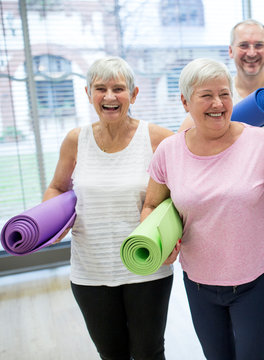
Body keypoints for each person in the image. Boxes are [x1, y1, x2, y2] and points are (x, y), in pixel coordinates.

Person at [142, 58, 264, 360]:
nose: (218, 103)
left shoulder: (261, 143)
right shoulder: (169, 151)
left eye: (224, 93)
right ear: (185, 101)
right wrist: (159, 244)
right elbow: (152, 205)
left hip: (256, 281)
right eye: (206, 95)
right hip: (198, 283)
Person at [178, 19, 264, 359]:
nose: (251, 52)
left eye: (258, 45)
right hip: (234, 214)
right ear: (231, 51)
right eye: (244, 46)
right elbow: (186, 141)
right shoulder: (215, 91)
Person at [43, 56, 175, 359]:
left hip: (147, 269)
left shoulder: (157, 138)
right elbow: (58, 187)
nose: (110, 96)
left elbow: (185, 192)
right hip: (90, 271)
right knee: (111, 353)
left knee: (148, 352)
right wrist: (47, 224)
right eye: (100, 88)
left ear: (134, 94)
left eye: (119, 88)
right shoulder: (76, 140)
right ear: (88, 94)